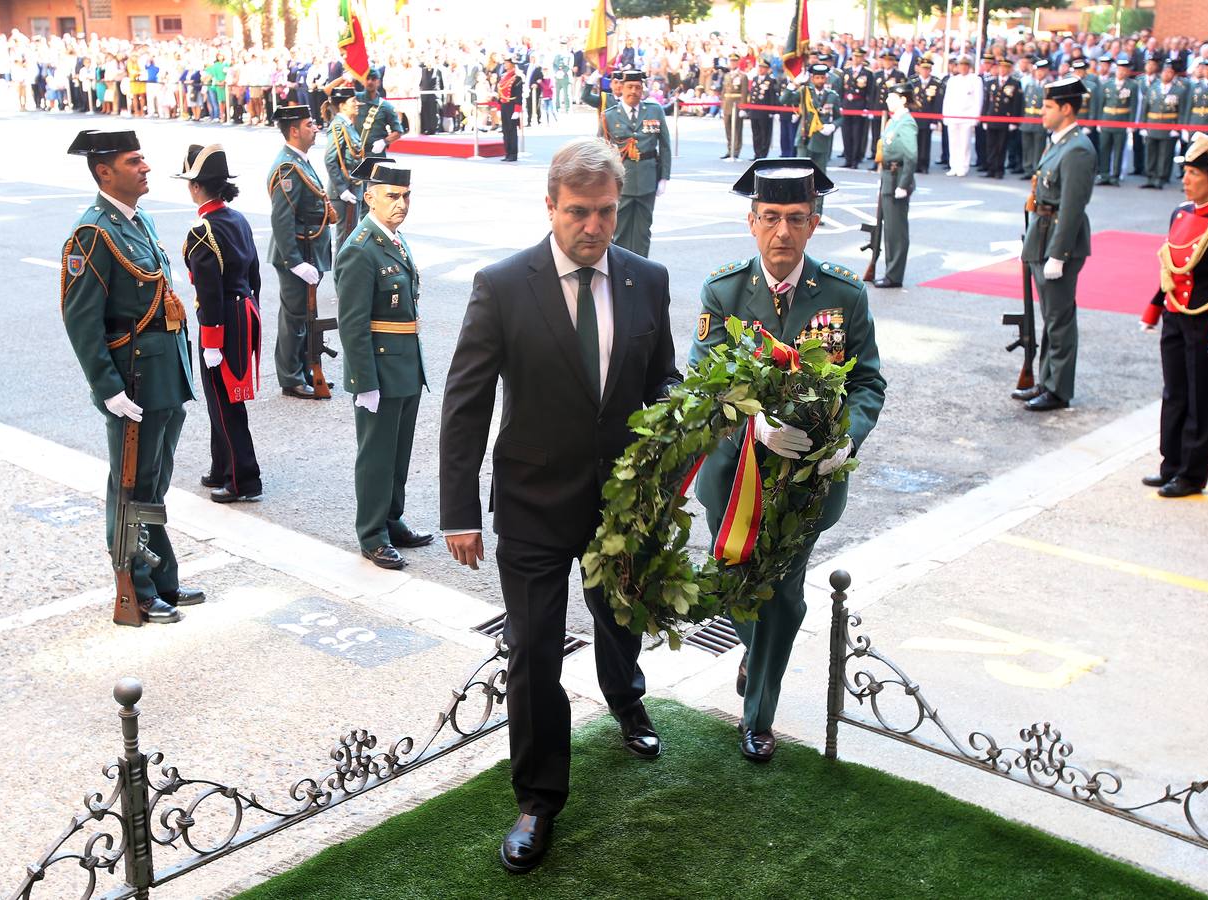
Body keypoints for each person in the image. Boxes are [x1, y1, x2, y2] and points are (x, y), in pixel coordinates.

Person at [439, 137, 680, 874]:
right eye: (579, 213)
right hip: (532, 503)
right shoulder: (503, 284)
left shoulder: (647, 280)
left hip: (619, 504)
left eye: (605, 213)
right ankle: (538, 799)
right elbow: (466, 400)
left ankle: (626, 700)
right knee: (534, 649)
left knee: (619, 616)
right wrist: (457, 511)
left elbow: (661, 382)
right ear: (550, 207)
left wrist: (673, 453)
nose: (594, 227)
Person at [689, 158, 885, 762]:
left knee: (784, 594)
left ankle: (758, 715)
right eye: (770, 218)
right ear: (751, 223)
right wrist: (753, 420)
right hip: (734, 477)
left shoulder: (843, 296)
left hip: (809, 482)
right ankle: (756, 647)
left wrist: (846, 440)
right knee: (735, 583)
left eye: (795, 219)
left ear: (814, 223)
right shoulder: (724, 292)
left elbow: (869, 383)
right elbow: (703, 377)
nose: (782, 232)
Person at [60, 129, 202, 624]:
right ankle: (136, 590)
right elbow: (81, 319)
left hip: (164, 378)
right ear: (105, 172)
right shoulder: (92, 233)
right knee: (131, 489)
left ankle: (163, 578)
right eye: (133, 160)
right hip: (134, 384)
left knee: (154, 485)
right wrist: (108, 389)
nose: (145, 168)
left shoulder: (137, 222)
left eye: (143, 159)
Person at [1139, 129, 1208, 498]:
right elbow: (1171, 267)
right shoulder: (1180, 213)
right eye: (1185, 171)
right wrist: (1155, 306)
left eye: (1194, 174)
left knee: (1203, 400)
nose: (1185, 180)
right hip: (1176, 316)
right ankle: (1170, 464)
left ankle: (1191, 475)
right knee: (1175, 393)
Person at [335, 155, 434, 569]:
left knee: (398, 454)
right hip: (378, 367)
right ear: (369, 196)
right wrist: (364, 381)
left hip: (405, 364)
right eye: (393, 195)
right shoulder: (360, 249)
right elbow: (353, 324)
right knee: (376, 455)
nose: (402, 203)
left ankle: (392, 520)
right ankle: (372, 533)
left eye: (407, 195)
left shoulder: (393, 239)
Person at [177, 144, 263, 503]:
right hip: (244, 312)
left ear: (197, 186)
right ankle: (220, 466)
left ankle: (244, 479)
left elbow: (209, 290)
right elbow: (254, 275)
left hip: (221, 321)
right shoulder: (237, 219)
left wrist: (212, 339)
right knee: (219, 399)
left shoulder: (203, 229)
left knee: (226, 402)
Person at [1016, 77, 1096, 412]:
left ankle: (1058, 389)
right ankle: (1046, 380)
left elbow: (1073, 206)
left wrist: (1058, 255)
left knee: (1059, 318)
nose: (1042, 111)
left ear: (1066, 108)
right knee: (1049, 315)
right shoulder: (1060, 142)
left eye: (1049, 106)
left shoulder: (1077, 148)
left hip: (1058, 241)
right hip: (1043, 233)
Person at [267, 104, 334, 399]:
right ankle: (291, 377)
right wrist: (294, 262)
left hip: (309, 251)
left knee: (306, 318)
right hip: (297, 254)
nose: (315, 127)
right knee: (294, 318)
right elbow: (281, 218)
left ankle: (305, 370)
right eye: (310, 124)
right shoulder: (287, 168)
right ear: (294, 130)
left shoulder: (300, 162)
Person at [601, 69, 671, 258]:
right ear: (621, 88)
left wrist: (664, 177)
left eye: (638, 87)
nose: (634, 91)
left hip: (648, 179)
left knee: (643, 230)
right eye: (630, 87)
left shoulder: (654, 110)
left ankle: (641, 268)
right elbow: (601, 151)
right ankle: (621, 269)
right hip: (621, 181)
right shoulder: (609, 116)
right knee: (620, 229)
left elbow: (664, 145)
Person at [875, 84, 918, 289]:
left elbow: (911, 156)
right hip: (888, 177)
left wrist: (904, 183)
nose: (887, 100)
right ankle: (890, 271)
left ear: (902, 99)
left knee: (896, 232)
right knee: (889, 230)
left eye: (891, 97)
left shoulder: (906, 123)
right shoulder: (896, 121)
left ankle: (894, 275)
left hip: (897, 178)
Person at [792, 63, 842, 213]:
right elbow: (785, 99)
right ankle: (799, 209)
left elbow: (840, 118)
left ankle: (817, 211)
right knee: (801, 176)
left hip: (821, 140)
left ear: (826, 78)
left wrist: (832, 126)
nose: (820, 80)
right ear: (812, 78)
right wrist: (793, 84)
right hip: (805, 138)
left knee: (819, 178)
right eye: (817, 78)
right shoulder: (804, 92)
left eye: (822, 77)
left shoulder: (833, 96)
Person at [324, 85, 365, 253]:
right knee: (344, 241)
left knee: (351, 238)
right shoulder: (338, 126)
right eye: (353, 101)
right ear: (342, 106)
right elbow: (330, 160)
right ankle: (341, 278)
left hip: (354, 189)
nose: (357, 104)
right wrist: (342, 190)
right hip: (344, 193)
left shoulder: (348, 125)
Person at [1139, 58, 1188, 189]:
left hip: (1169, 124)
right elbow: (1145, 107)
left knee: (1165, 153)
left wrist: (1178, 128)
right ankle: (1150, 176)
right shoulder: (1153, 88)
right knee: (1150, 151)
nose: (1167, 75)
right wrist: (1143, 124)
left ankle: (1161, 177)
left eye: (1170, 72)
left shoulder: (1179, 90)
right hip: (1152, 123)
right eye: (1165, 72)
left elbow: (1181, 111)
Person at [1095, 56, 1137, 185]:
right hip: (1107, 119)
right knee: (1104, 148)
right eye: (1119, 69)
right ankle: (1104, 174)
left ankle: (1115, 175)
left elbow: (1134, 105)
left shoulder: (1132, 86)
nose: (1121, 72)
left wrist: (1131, 123)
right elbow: (1100, 104)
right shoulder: (1107, 84)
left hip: (1121, 120)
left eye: (1124, 70)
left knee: (1119, 149)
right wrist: (1098, 121)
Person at [982, 56, 1022, 179]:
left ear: (1009, 69)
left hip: (1005, 119)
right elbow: (987, 102)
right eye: (1001, 67)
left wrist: (1014, 121)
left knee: (1001, 145)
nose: (1003, 70)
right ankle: (991, 168)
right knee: (990, 145)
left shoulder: (1014, 83)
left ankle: (999, 169)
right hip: (991, 118)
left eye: (1006, 67)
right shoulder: (991, 82)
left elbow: (1016, 103)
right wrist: (984, 117)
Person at [943, 56, 982, 177]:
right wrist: (945, 115)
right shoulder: (953, 80)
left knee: (965, 143)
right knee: (953, 142)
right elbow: (947, 99)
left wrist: (976, 117)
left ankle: (963, 166)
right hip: (953, 115)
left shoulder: (975, 80)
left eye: (965, 65)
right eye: (961, 65)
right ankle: (953, 165)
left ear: (969, 67)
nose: (963, 67)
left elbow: (978, 99)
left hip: (967, 116)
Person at [354, 67, 405, 155]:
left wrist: (384, 142)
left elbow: (398, 131)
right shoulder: (354, 99)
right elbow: (328, 91)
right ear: (363, 81)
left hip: (375, 152)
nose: (370, 81)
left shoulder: (386, 106)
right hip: (355, 152)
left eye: (373, 79)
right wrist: (344, 78)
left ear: (378, 82)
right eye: (367, 78)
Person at [910, 55, 944, 174]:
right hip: (914, 117)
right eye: (923, 68)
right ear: (919, 69)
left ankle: (924, 164)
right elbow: (909, 101)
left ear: (930, 70)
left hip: (928, 117)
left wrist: (935, 120)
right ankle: (915, 164)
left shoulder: (936, 83)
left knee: (925, 142)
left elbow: (937, 103)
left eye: (927, 69)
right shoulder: (913, 82)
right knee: (914, 142)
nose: (925, 71)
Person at [841, 49, 873, 168]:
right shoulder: (846, 71)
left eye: (859, 57)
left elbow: (870, 92)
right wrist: (840, 105)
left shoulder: (867, 73)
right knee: (846, 134)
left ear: (863, 59)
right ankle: (848, 159)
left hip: (859, 105)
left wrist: (867, 108)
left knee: (857, 134)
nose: (856, 59)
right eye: (854, 56)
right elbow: (841, 89)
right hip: (846, 106)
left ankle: (855, 160)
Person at [1019, 59, 1050, 180]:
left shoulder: (1048, 87)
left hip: (1040, 120)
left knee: (1038, 147)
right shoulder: (1030, 85)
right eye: (1037, 71)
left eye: (1041, 71)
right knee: (1027, 146)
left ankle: (1036, 169)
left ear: (1046, 71)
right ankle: (1027, 168)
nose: (1039, 73)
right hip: (1027, 119)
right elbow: (1023, 104)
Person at [747, 56, 778, 159]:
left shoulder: (771, 81)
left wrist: (772, 111)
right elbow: (752, 95)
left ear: (767, 69)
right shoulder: (755, 79)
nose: (761, 69)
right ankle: (757, 153)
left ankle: (763, 154)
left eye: (763, 67)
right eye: (760, 67)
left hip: (765, 112)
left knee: (765, 133)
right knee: (756, 133)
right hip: (754, 111)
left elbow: (772, 97)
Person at [719, 54, 749, 160]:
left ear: (738, 62)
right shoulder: (727, 75)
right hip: (727, 104)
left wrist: (743, 107)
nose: (732, 63)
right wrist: (722, 105)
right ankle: (729, 149)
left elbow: (744, 92)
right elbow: (724, 91)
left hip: (736, 104)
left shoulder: (742, 76)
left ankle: (736, 150)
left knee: (737, 128)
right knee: (727, 128)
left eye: (734, 61)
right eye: (731, 61)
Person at [497, 58, 523, 162]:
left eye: (507, 63)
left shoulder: (517, 78)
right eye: (504, 63)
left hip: (512, 105)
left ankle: (513, 154)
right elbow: (500, 94)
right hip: (504, 105)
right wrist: (499, 107)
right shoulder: (503, 77)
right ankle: (507, 153)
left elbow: (518, 95)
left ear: (512, 64)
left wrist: (517, 110)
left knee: (512, 131)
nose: (505, 65)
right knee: (505, 130)